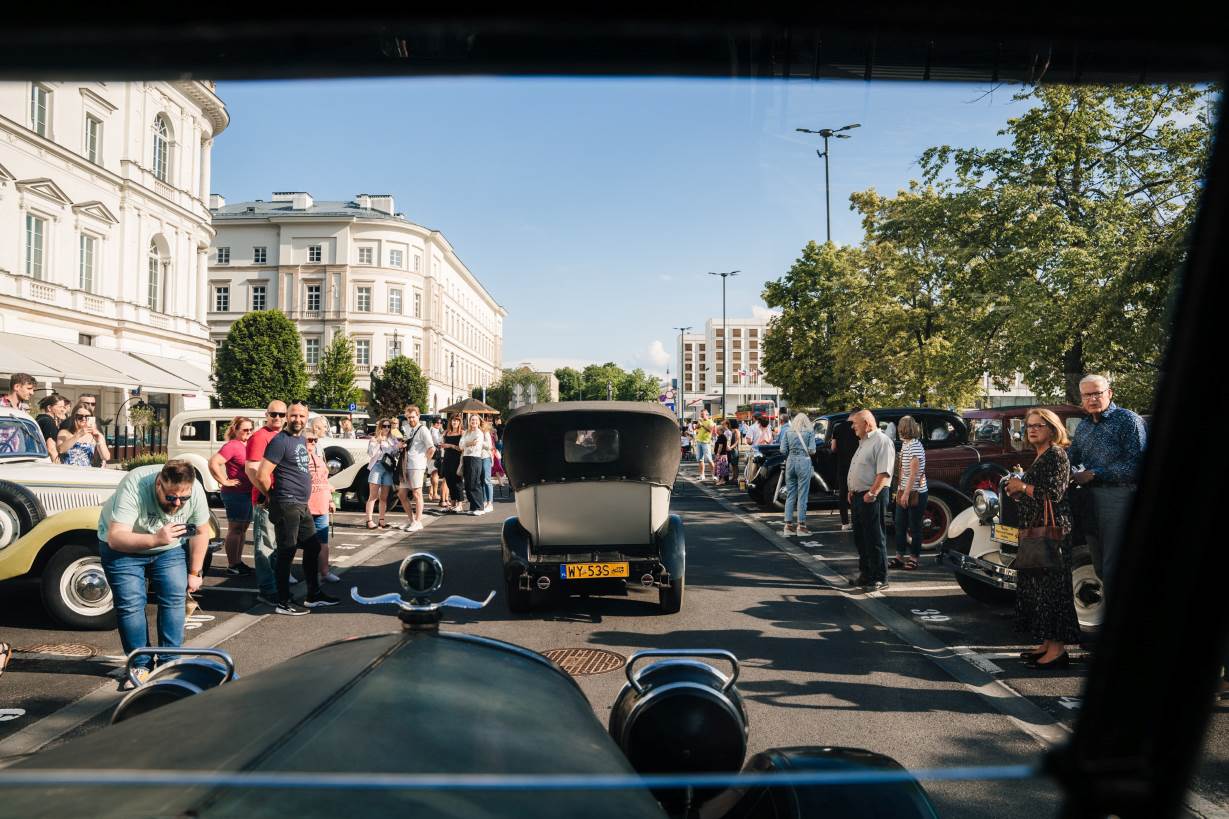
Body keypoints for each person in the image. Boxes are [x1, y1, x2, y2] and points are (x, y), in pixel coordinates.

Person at [97, 460, 209, 687]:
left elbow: (201, 530)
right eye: (170, 497)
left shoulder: (195, 490)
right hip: (124, 548)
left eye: (183, 498)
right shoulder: (136, 484)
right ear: (159, 484)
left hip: (168, 549)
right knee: (131, 604)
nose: (177, 504)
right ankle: (140, 664)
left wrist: (195, 572)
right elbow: (116, 537)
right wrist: (155, 539)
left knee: (174, 597)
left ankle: (169, 663)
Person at [1005, 408, 1082, 669]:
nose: (1033, 430)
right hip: (1035, 529)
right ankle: (1047, 644)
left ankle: (1058, 651)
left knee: (1054, 590)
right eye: (1029, 426)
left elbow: (1054, 494)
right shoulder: (1040, 455)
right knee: (1040, 590)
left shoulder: (1057, 455)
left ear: (1052, 428)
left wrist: (1021, 486)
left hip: (1053, 533)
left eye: (1039, 425)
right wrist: (1019, 490)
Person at [1068, 373, 1147, 598]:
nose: (1092, 399)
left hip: (1119, 496)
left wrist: (1094, 474)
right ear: (1081, 399)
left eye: (1097, 393)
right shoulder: (1083, 426)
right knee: (1099, 565)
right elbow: (1071, 457)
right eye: (1087, 395)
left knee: (1114, 566)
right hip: (1089, 498)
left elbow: (1137, 464)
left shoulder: (1128, 420)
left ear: (1109, 393)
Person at [254, 400, 337, 614]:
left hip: (301, 504)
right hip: (286, 503)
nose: (297, 419)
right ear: (287, 417)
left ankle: (313, 594)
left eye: (301, 416)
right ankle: (283, 602)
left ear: (306, 417)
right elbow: (262, 474)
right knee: (286, 552)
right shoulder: (279, 441)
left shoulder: (300, 439)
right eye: (293, 415)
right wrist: (271, 495)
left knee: (313, 547)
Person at [247, 401, 290, 604]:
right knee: (265, 544)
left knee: (279, 544)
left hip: (284, 499)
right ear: (266, 414)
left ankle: (276, 585)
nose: (278, 418)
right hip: (267, 499)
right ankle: (267, 590)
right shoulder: (259, 437)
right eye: (274, 414)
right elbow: (252, 470)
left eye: (282, 414)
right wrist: (267, 493)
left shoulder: (285, 435)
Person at [847, 409, 895, 591]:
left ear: (867, 423)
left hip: (872, 495)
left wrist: (872, 493)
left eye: (855, 424)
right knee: (861, 537)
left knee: (874, 537)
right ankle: (866, 574)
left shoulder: (882, 441)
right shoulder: (864, 442)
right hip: (860, 495)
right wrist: (852, 489)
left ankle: (880, 577)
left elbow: (884, 472)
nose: (853, 427)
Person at [209, 415, 255, 576]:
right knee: (235, 529)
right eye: (244, 430)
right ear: (235, 430)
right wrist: (224, 480)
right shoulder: (233, 445)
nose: (248, 432)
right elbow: (213, 462)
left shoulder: (248, 444)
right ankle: (232, 564)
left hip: (248, 493)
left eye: (250, 429)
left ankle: (238, 562)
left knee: (242, 529)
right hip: (236, 494)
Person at [890, 415, 928, 571]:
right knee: (900, 525)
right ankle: (899, 556)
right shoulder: (906, 445)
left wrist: (905, 494)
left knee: (915, 526)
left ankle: (914, 558)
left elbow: (914, 473)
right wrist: (899, 491)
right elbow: (903, 473)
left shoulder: (915, 446)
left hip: (915, 492)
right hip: (904, 491)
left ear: (904, 428)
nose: (899, 429)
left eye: (901, 426)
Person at [307, 417, 340, 583]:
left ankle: (325, 572)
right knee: (298, 544)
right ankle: (291, 574)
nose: (313, 441)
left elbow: (324, 479)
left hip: (321, 505)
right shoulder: (298, 458)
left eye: (314, 440)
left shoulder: (319, 455)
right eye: (309, 440)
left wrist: (330, 500)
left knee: (323, 542)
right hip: (305, 507)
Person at [395, 405, 435, 531]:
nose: (411, 419)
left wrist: (424, 461)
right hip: (405, 464)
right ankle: (411, 520)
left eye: (413, 417)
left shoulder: (423, 429)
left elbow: (431, 448)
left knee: (417, 493)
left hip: (417, 466)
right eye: (408, 417)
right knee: (401, 494)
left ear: (418, 416)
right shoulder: (406, 428)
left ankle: (418, 521)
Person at [780, 412, 817, 536]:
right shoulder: (809, 432)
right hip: (803, 462)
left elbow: (782, 450)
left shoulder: (788, 432)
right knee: (802, 495)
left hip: (790, 462)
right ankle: (801, 526)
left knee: (790, 494)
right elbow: (812, 450)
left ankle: (788, 525)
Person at [365, 417, 399, 529]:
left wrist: (398, 447)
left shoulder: (392, 439)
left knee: (384, 497)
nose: (387, 428)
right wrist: (378, 442)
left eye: (389, 426)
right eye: (384, 426)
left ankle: (382, 520)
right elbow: (371, 453)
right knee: (373, 496)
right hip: (377, 466)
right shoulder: (374, 439)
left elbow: (394, 453)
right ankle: (369, 520)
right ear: (380, 427)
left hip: (388, 468)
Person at [56, 401, 110, 467]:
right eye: (80, 416)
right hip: (68, 472)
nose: (84, 419)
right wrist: (78, 435)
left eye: (87, 416)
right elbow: (60, 450)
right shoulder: (64, 433)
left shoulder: (94, 434)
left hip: (87, 473)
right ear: (74, 417)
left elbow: (106, 457)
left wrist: (99, 440)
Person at [459, 414, 492, 514]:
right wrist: (468, 443)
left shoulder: (479, 433)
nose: (474, 422)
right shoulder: (466, 432)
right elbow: (461, 445)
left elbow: (476, 445)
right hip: (466, 458)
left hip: (475, 458)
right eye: (472, 420)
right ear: (469, 421)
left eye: (476, 420)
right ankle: (473, 507)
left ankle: (479, 508)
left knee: (475, 483)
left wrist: (466, 444)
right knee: (468, 484)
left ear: (479, 422)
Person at [831, 417, 859, 531]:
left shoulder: (838, 427)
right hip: (856, 464)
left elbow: (833, 448)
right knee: (856, 492)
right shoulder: (858, 427)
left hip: (842, 464)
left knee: (843, 493)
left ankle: (845, 522)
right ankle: (856, 520)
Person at [439, 414, 465, 513]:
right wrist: (442, 445)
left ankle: (460, 504)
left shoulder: (462, 433)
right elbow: (441, 444)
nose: (455, 422)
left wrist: (450, 445)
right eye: (453, 420)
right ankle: (453, 504)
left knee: (458, 481)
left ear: (459, 422)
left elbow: (461, 448)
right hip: (447, 459)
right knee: (449, 481)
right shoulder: (446, 432)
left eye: (457, 421)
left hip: (457, 459)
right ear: (450, 422)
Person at [35, 393, 68, 461]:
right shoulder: (48, 422)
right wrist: (58, 466)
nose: (63, 410)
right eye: (60, 407)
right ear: (49, 408)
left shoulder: (41, 418)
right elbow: (51, 449)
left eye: (63, 407)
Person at [694, 409, 717, 481]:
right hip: (699, 441)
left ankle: (713, 475)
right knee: (700, 459)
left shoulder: (710, 421)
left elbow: (710, 430)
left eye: (702, 414)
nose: (701, 416)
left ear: (707, 415)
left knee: (709, 459)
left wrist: (702, 425)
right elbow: (695, 428)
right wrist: (698, 423)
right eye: (701, 414)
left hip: (706, 442)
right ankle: (702, 475)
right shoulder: (701, 421)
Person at [481, 418, 497, 512]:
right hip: (477, 458)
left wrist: (479, 442)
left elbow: (489, 446)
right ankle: (484, 501)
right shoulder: (477, 432)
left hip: (485, 457)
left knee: (487, 480)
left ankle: (490, 503)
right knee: (481, 481)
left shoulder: (485, 433)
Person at [427, 416, 444, 502]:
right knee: (435, 473)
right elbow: (438, 441)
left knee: (432, 473)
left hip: (431, 453)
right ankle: (434, 493)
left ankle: (431, 493)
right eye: (438, 423)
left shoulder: (432, 430)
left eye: (440, 423)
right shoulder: (433, 430)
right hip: (435, 453)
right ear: (434, 423)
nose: (439, 424)